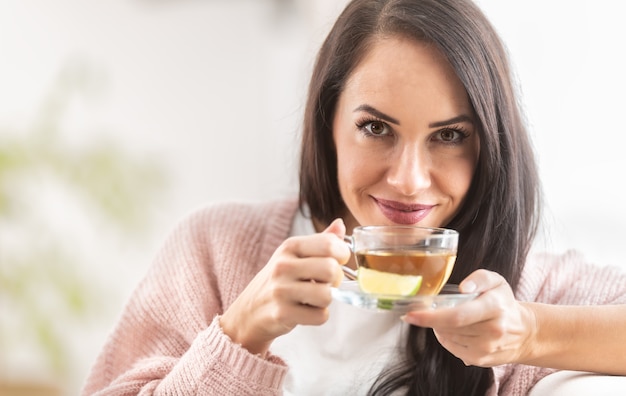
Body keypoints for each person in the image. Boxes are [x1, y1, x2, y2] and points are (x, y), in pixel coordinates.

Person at [82, 0, 626, 395]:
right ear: (328, 125)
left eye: (450, 136)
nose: (410, 180)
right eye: (377, 129)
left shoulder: (524, 283)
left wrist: (527, 333)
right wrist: (240, 332)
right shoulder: (214, 254)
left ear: (489, 146)